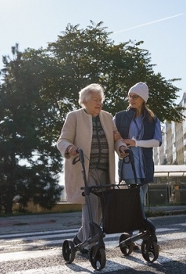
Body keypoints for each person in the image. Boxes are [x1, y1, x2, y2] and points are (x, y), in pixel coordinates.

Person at [57, 83, 127, 254]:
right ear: (85, 101)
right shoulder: (74, 117)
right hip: (85, 170)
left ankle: (80, 239)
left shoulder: (107, 117)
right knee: (91, 208)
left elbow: (116, 138)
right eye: (95, 100)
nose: (99, 103)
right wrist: (70, 148)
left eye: (100, 100)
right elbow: (62, 140)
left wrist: (122, 147)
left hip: (105, 169)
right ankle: (91, 245)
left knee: (103, 210)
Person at [114, 82, 162, 210]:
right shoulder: (119, 117)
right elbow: (112, 137)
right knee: (135, 197)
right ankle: (135, 226)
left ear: (143, 99)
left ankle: (139, 225)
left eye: (135, 96)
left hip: (145, 166)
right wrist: (120, 147)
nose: (131, 99)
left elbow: (157, 141)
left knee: (140, 199)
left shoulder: (153, 119)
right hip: (128, 164)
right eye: (130, 96)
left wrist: (136, 143)